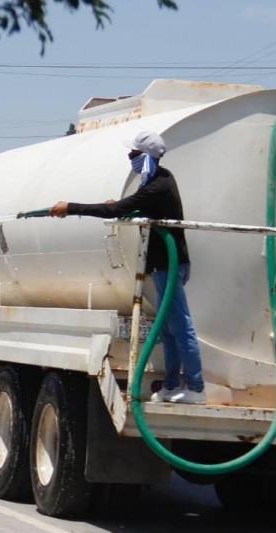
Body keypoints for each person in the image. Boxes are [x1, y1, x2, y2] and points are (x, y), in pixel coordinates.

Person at [49, 130, 205, 404]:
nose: (129, 157)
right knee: (168, 328)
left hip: (169, 265)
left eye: (133, 154)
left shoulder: (157, 186)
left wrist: (71, 207)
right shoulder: (159, 178)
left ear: (144, 156)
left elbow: (122, 209)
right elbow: (135, 207)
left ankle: (196, 387)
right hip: (162, 265)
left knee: (181, 326)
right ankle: (171, 384)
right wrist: (121, 206)